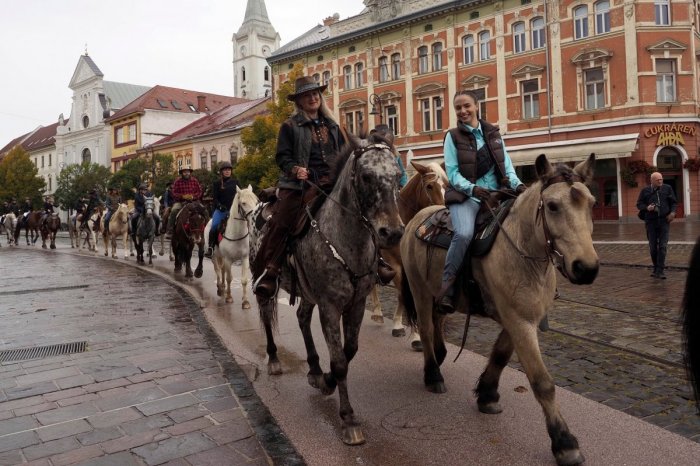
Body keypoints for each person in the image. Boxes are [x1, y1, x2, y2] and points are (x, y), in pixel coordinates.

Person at [252, 75, 347, 299]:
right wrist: (295, 170)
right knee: (282, 220)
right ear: (299, 102)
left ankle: (377, 260)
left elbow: (343, 154)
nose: (313, 98)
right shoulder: (290, 126)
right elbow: (282, 157)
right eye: (307, 96)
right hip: (299, 184)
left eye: (315, 94)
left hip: (331, 181)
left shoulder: (332, 126)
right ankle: (270, 269)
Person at [438, 90, 526, 313]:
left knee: (530, 223)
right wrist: (473, 188)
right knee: (464, 234)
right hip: (467, 197)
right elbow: (453, 173)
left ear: (477, 106)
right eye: (458, 108)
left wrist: (519, 186)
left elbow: (507, 166)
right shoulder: (452, 136)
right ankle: (448, 285)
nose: (462, 111)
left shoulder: (493, 133)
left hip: (497, 195)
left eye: (466, 105)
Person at [636, 172, 677, 279]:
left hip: (664, 221)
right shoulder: (645, 191)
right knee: (653, 247)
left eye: (661, 179)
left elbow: (673, 202)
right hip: (651, 222)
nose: (660, 181)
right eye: (658, 180)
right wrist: (646, 208)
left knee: (663, 246)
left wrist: (672, 213)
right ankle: (656, 268)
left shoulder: (667, 188)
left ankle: (660, 270)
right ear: (652, 181)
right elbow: (639, 204)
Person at [205, 161, 238, 258]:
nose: (227, 171)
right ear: (221, 172)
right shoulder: (217, 183)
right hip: (221, 210)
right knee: (214, 225)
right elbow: (215, 198)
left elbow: (239, 196)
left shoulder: (236, 182)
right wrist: (219, 206)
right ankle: (210, 247)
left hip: (234, 210)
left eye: (229, 170)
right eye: (225, 170)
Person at [165, 168, 203, 238]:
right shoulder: (177, 181)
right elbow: (174, 193)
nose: (186, 173)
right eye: (185, 172)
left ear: (190, 173)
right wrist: (182, 196)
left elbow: (199, 191)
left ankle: (206, 229)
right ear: (182, 173)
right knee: (173, 211)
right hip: (180, 202)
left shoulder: (194, 180)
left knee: (204, 210)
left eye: (188, 172)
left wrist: (193, 197)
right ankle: (170, 230)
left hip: (193, 201)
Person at [371, 124, 408, 188]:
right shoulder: (372, 154)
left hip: (394, 188)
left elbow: (402, 173)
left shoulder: (395, 154)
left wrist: (401, 185)